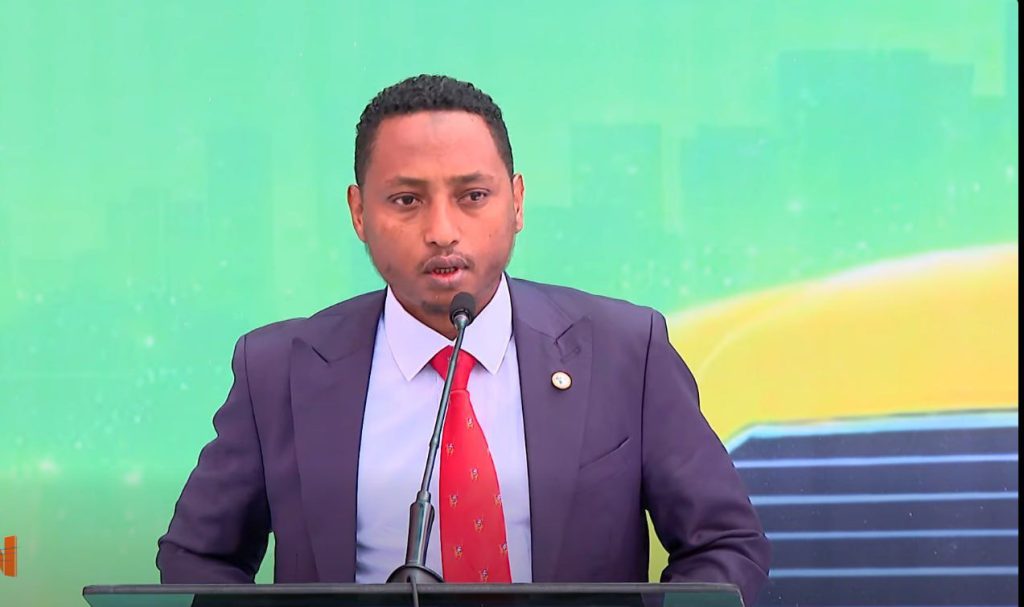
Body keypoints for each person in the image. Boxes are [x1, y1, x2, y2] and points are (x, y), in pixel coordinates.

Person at [156, 74, 770, 605]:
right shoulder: (278, 370)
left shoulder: (625, 351)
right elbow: (197, 557)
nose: (442, 231)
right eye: (407, 200)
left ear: (517, 202)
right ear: (359, 212)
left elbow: (724, 545)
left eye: (473, 196)